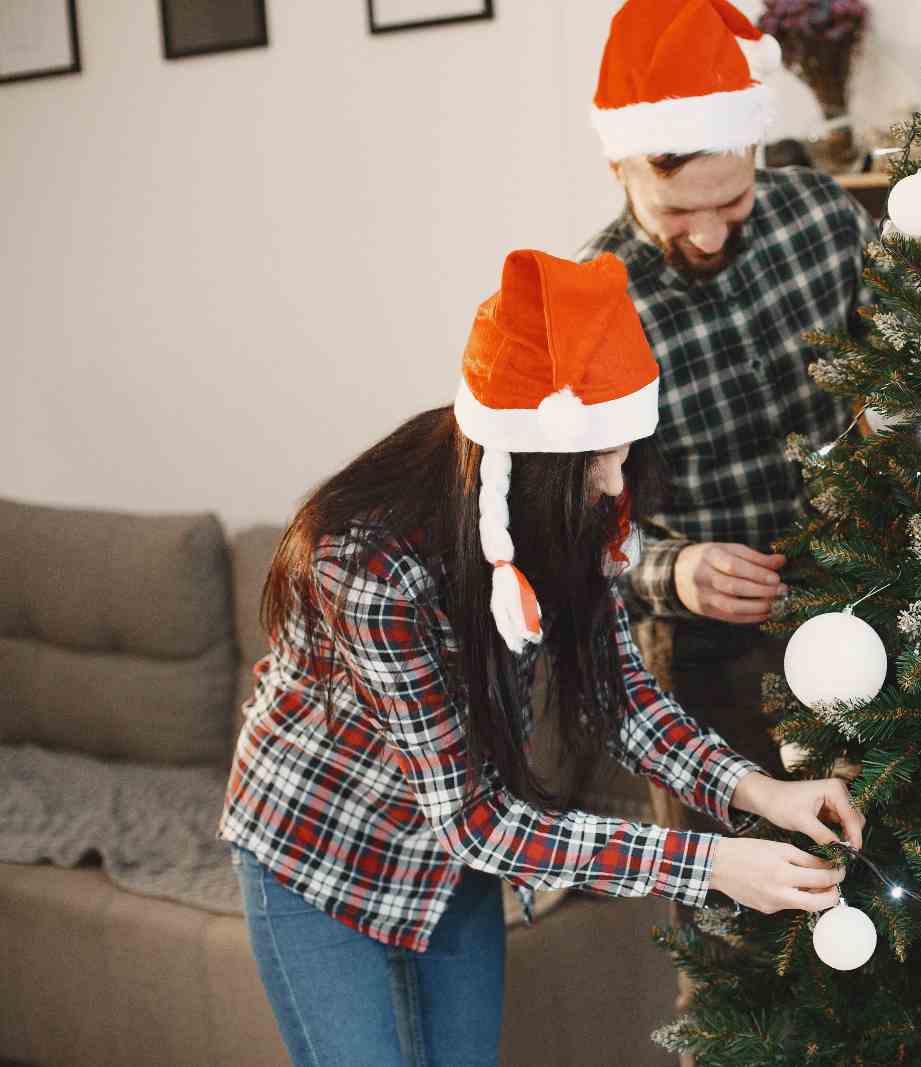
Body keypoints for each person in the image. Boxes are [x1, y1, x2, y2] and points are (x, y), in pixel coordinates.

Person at [218, 248, 864, 1067]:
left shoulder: (571, 509)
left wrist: (759, 789)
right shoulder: (371, 562)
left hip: (450, 869)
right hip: (319, 852)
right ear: (528, 459)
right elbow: (477, 820)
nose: (615, 480)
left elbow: (623, 699)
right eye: (600, 457)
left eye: (626, 449)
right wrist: (711, 863)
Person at [579, 0, 876, 820]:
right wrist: (672, 570)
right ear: (619, 169)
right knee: (740, 916)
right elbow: (569, 524)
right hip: (703, 658)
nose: (708, 234)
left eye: (732, 201)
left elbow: (916, 373)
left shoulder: (823, 216)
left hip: (867, 601)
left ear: (750, 148)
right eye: (677, 211)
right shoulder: (591, 305)